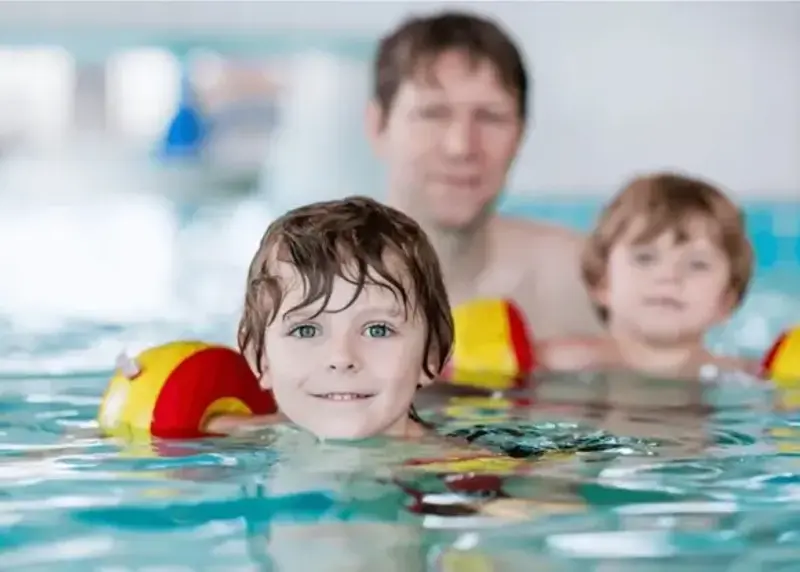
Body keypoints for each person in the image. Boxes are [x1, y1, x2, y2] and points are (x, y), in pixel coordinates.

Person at [365, 10, 604, 340]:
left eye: (490, 117)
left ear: (520, 134)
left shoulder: (583, 282)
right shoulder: (309, 285)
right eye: (433, 114)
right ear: (377, 126)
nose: (461, 146)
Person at [205, 195, 457, 439]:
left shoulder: (462, 473)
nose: (341, 358)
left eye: (377, 330)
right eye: (306, 330)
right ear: (259, 356)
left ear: (432, 354)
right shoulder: (227, 442)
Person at [536, 172, 758, 379]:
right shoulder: (560, 361)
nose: (669, 276)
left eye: (697, 265)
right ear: (602, 282)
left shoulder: (743, 376)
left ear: (726, 300)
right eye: (645, 258)